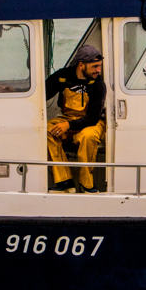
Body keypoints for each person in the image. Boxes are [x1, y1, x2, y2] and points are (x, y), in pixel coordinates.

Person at [45, 45, 106, 193]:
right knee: (47, 129)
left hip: (91, 122)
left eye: (99, 66)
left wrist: (68, 125)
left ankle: (87, 184)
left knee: (88, 136)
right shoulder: (63, 76)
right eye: (95, 66)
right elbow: (41, 93)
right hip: (67, 118)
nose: (98, 70)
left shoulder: (98, 85)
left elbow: (92, 119)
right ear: (81, 65)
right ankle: (65, 181)